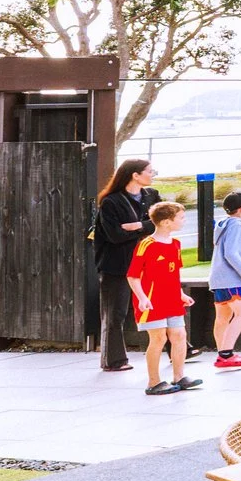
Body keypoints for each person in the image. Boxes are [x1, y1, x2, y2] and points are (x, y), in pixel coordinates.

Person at [126, 201, 199, 395]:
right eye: (181, 218)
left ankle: (179, 376)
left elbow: (173, 272)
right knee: (158, 338)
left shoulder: (176, 244)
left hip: (172, 299)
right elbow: (133, 276)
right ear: (167, 222)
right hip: (151, 300)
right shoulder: (146, 245)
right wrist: (142, 298)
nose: (184, 221)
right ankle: (154, 382)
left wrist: (181, 294)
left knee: (179, 335)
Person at [90, 157, 155, 374]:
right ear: (135, 175)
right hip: (117, 265)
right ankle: (113, 360)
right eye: (149, 171)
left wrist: (137, 226)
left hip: (146, 262)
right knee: (114, 312)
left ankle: (180, 347)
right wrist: (145, 227)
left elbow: (162, 222)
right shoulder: (111, 202)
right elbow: (115, 235)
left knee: (162, 304)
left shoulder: (151, 197)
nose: (152, 174)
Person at [206, 191, 241, 369]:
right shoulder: (238, 226)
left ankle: (223, 352)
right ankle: (226, 354)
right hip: (231, 280)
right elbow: (231, 253)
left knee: (223, 317)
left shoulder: (224, 224)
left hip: (219, 279)